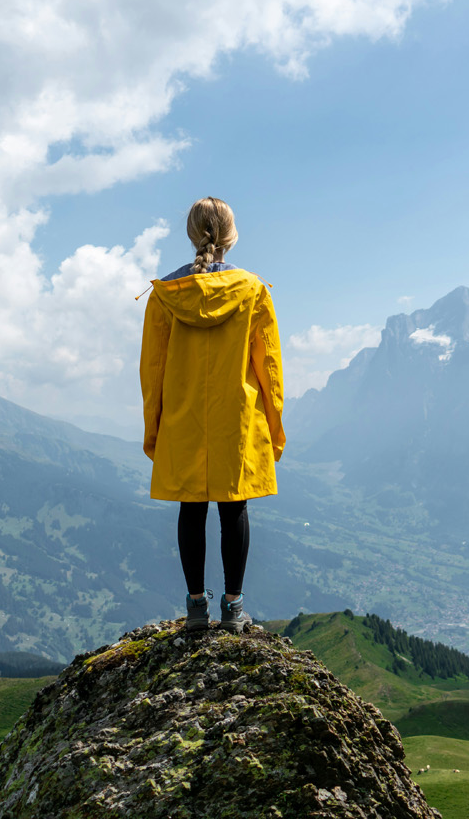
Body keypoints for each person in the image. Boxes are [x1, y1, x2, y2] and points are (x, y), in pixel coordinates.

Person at [139, 197, 285, 633]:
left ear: (191, 234)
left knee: (191, 506)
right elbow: (270, 369)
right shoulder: (253, 290)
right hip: (236, 418)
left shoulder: (166, 296)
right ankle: (235, 608)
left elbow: (152, 370)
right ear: (231, 236)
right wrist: (274, 428)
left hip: (183, 417)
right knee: (233, 507)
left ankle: (196, 609)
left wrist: (154, 429)